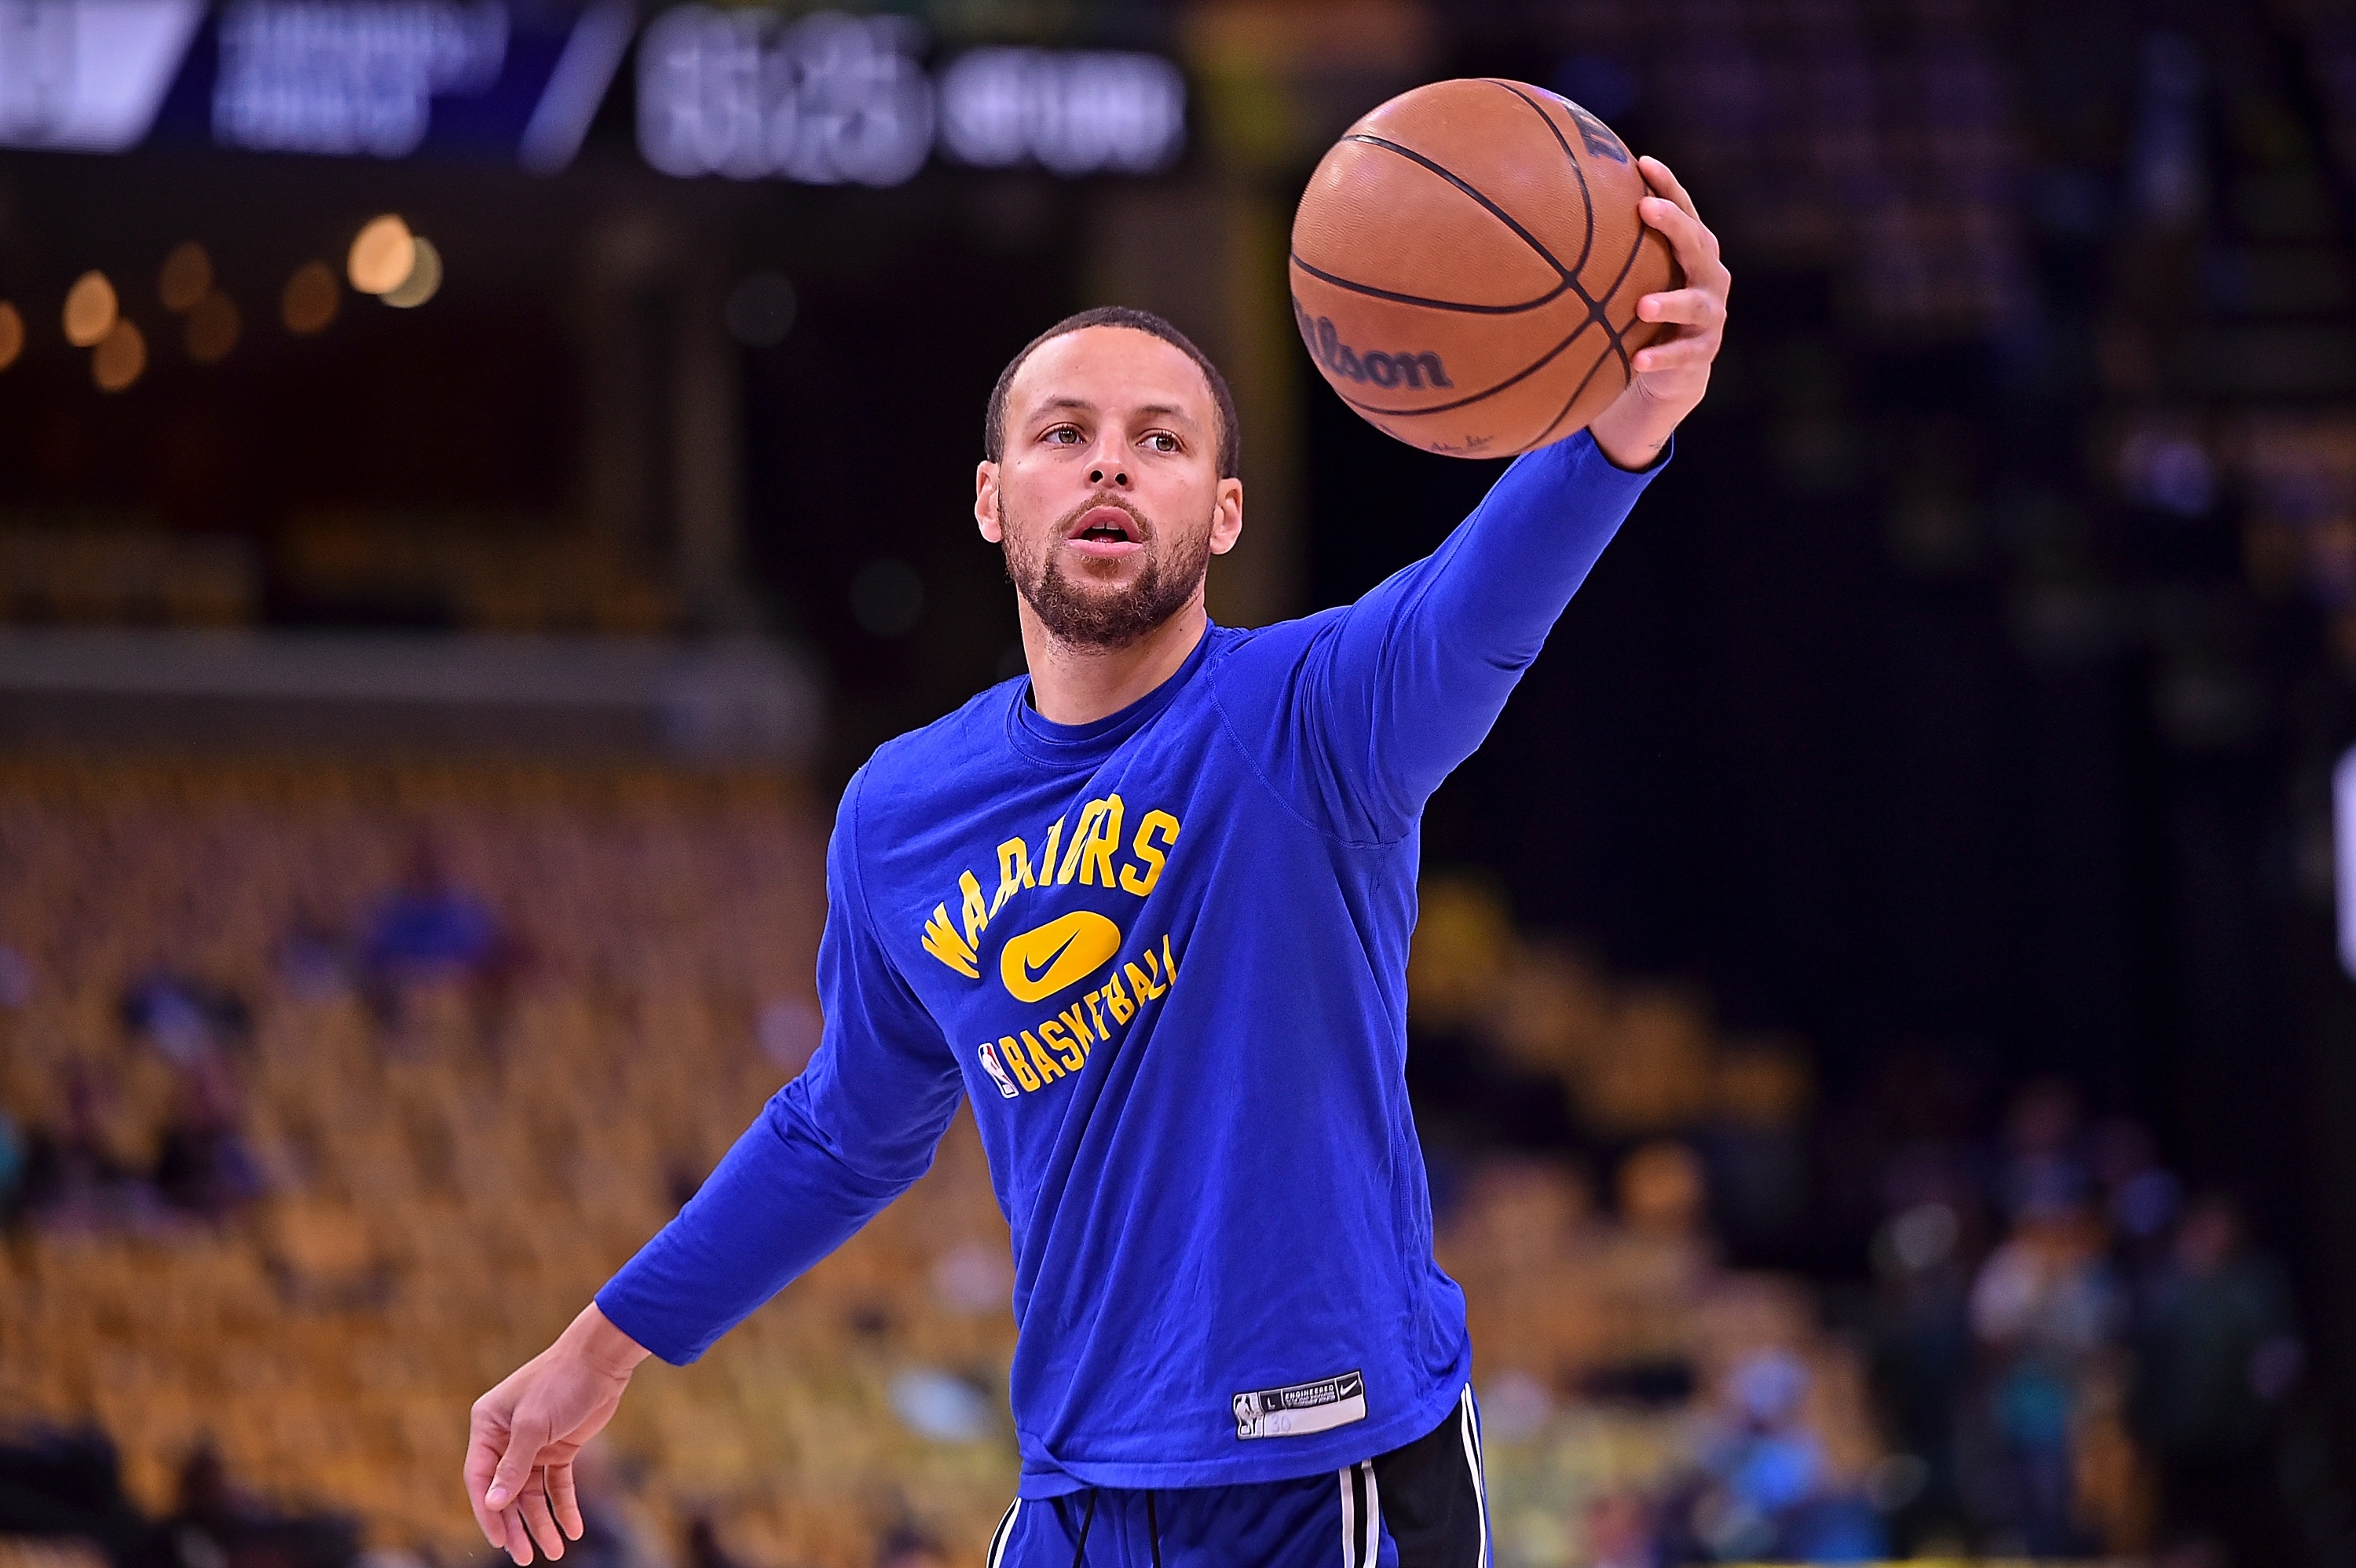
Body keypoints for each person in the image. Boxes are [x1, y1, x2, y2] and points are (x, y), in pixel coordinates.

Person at [465, 155, 1730, 1568]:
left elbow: (1482, 602)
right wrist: (603, 1344)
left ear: (1224, 513)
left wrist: (1629, 418)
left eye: (1163, 438)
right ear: (996, 501)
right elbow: (844, 1130)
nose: (1113, 460)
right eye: (1066, 433)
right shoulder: (902, 809)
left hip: (1326, 1477)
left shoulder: (1313, 718)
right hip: (1078, 1483)